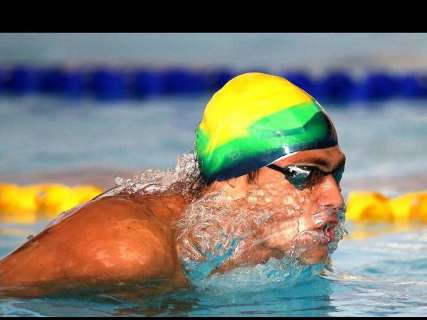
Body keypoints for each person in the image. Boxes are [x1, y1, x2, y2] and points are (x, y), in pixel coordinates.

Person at [0, 72, 346, 298]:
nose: (335, 197)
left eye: (335, 174)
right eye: (305, 174)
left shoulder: (284, 248)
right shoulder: (131, 253)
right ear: (234, 180)